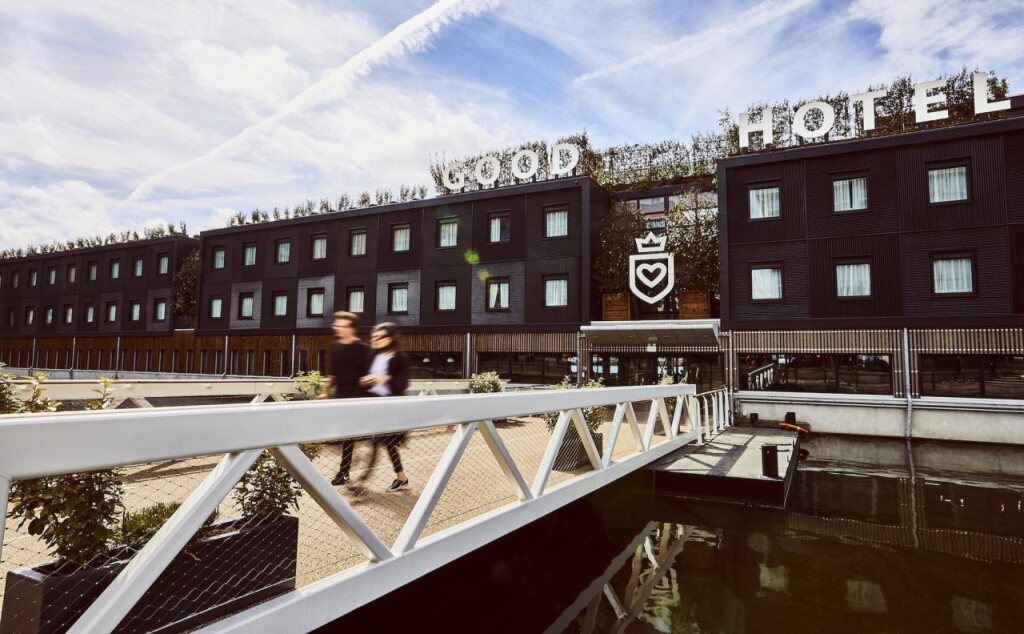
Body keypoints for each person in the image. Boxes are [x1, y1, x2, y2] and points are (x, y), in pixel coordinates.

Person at [352, 322, 410, 493]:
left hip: (390, 409)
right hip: (372, 406)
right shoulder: (373, 356)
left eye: (378, 337)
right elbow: (362, 380)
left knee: (377, 443)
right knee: (387, 444)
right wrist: (363, 382)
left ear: (389, 338)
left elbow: (402, 384)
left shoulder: (400, 358)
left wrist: (385, 378)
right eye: (373, 337)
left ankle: (362, 482)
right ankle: (401, 477)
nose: (374, 340)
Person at [323, 311, 372, 486]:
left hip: (357, 399)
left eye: (340, 325)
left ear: (351, 328)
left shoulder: (363, 349)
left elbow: (370, 375)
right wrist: (325, 392)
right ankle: (352, 461)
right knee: (341, 436)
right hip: (339, 397)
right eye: (336, 325)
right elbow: (332, 373)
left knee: (347, 436)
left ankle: (344, 472)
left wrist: (367, 383)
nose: (336, 328)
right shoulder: (335, 346)